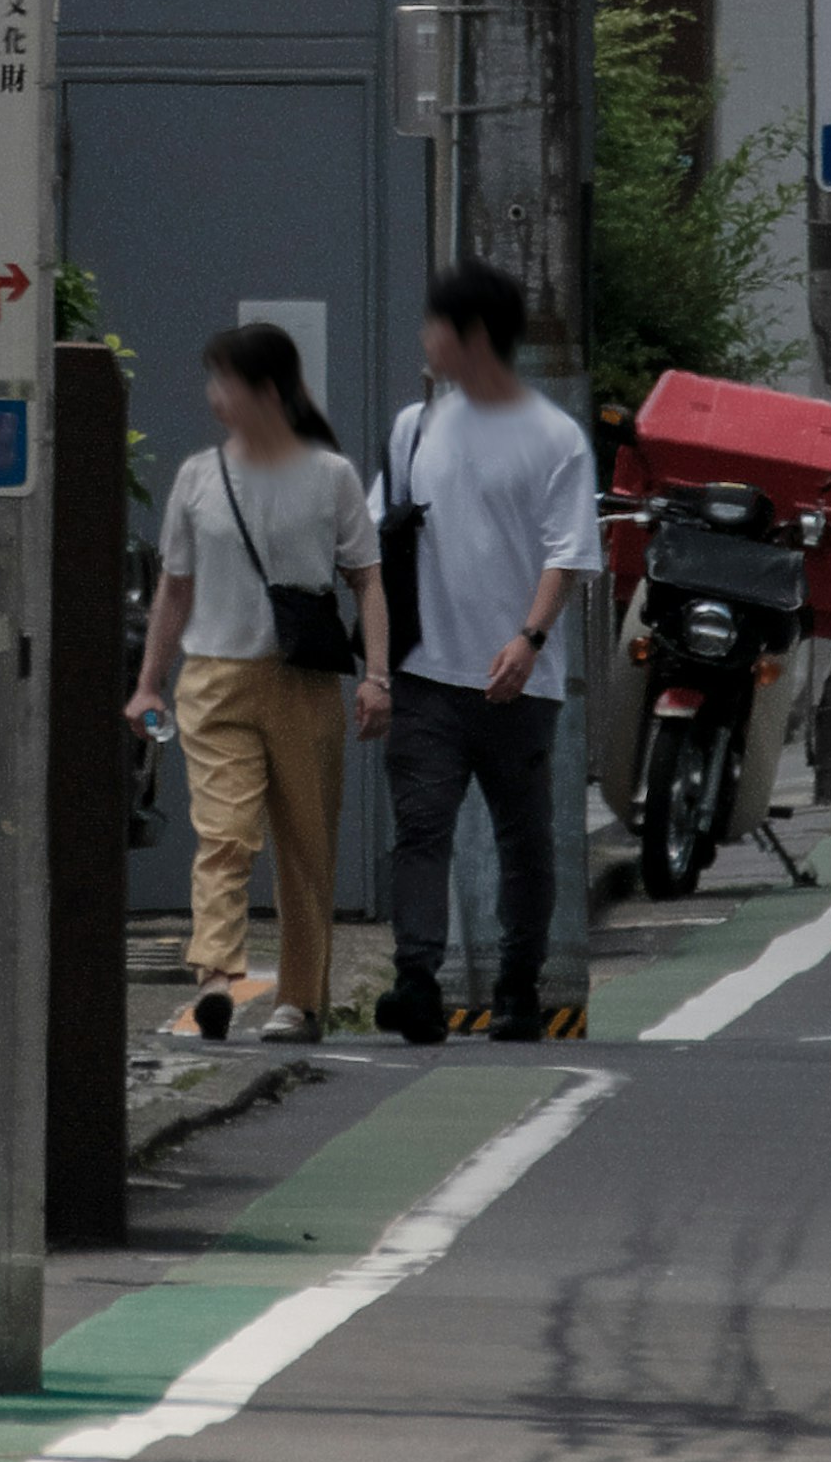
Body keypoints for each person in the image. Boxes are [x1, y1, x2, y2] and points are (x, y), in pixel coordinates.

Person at [126, 321, 388, 1047]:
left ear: (266, 391)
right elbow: (173, 591)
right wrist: (150, 683)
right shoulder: (197, 477)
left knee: (307, 848)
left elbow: (368, 580)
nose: (213, 394)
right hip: (211, 682)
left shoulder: (329, 473)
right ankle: (215, 975)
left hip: (303, 680)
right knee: (223, 835)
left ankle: (298, 1003)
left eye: (225, 381)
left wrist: (378, 676)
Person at [373, 257, 604, 1049]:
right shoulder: (414, 427)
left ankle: (518, 985)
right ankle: (416, 981)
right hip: (426, 675)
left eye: (434, 323)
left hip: (518, 681)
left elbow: (569, 551)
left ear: (469, 335)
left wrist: (530, 638)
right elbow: (378, 547)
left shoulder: (552, 435)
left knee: (524, 837)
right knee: (421, 828)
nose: (423, 337)